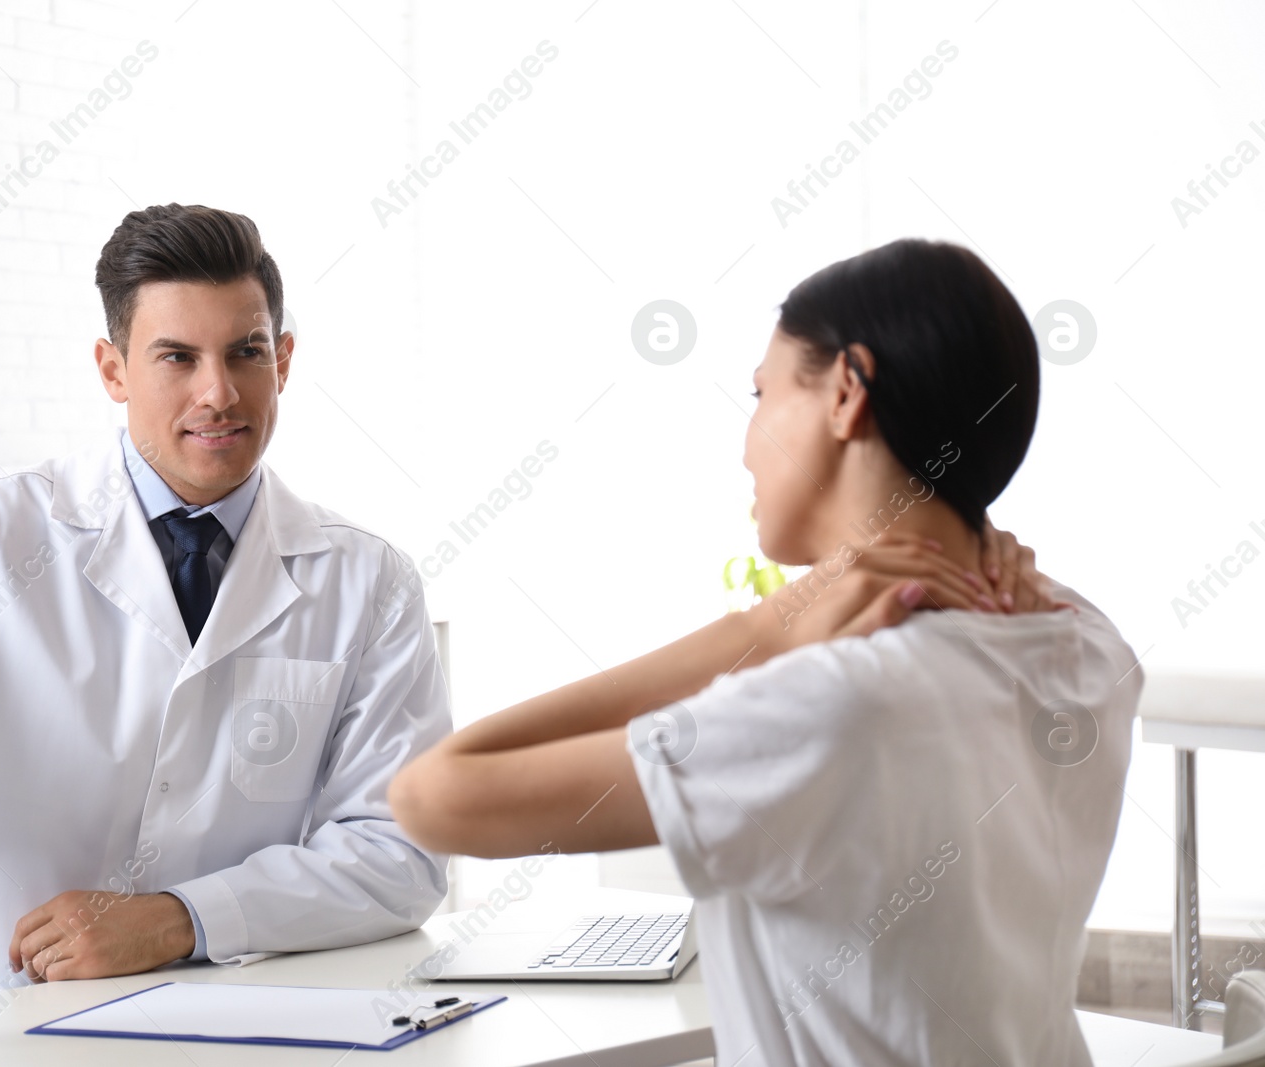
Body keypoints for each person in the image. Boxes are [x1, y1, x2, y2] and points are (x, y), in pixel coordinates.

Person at [389, 239, 1141, 1067]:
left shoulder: (835, 701)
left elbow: (431, 795)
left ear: (847, 390)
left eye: (761, 393)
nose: (747, 442)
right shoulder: (1089, 641)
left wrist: (772, 626)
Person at [0, 204, 451, 1016]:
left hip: (197, 1016)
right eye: (177, 358)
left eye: (246, 352)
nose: (218, 393)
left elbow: (398, 854)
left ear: (283, 359)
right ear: (113, 370)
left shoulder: (370, 581)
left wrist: (178, 920)